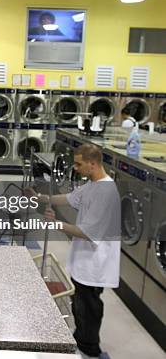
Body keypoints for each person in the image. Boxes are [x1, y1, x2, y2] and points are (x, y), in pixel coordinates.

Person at [27, 144, 120, 358]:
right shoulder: (93, 184)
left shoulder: (105, 192)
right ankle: (81, 338)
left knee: (89, 304)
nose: (75, 168)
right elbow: (70, 198)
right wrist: (42, 198)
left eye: (79, 163)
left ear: (93, 163)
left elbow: (88, 233)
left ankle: (89, 348)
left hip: (96, 262)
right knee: (80, 300)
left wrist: (55, 223)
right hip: (85, 258)